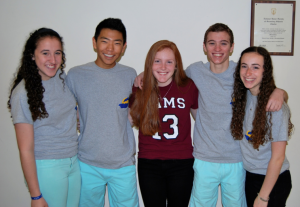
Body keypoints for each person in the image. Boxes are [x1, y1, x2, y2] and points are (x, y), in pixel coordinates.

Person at [134, 23, 287, 207]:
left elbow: (262, 86)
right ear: (204, 47)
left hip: (236, 158)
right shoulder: (194, 72)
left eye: (224, 43)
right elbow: (167, 72)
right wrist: (144, 73)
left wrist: (280, 92)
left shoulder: (242, 73)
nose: (217, 48)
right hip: (204, 158)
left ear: (232, 47)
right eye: (212, 43)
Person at [66, 18, 139, 207]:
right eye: (104, 41)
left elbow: (135, 109)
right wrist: (76, 118)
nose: (110, 48)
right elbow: (63, 108)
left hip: (123, 163)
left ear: (123, 47)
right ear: (94, 42)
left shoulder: (130, 74)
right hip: (87, 161)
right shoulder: (75, 75)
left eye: (117, 43)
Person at [8, 28, 80, 207]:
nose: (53, 60)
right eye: (45, 53)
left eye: (57, 53)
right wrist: (35, 196)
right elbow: (25, 149)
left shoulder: (62, 78)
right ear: (32, 55)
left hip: (74, 161)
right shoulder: (22, 93)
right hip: (47, 167)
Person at [129, 40, 198, 207]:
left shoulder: (187, 86)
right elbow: (129, 119)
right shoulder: (141, 87)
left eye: (169, 61)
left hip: (181, 162)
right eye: (157, 61)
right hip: (149, 161)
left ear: (176, 65)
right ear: (150, 63)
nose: (163, 67)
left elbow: (202, 119)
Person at [231, 46, 293, 207]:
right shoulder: (244, 96)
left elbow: (278, 157)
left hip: (272, 181)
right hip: (250, 176)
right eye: (244, 66)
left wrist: (263, 197)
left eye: (255, 67)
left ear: (266, 71)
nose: (248, 72)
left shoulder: (275, 107)